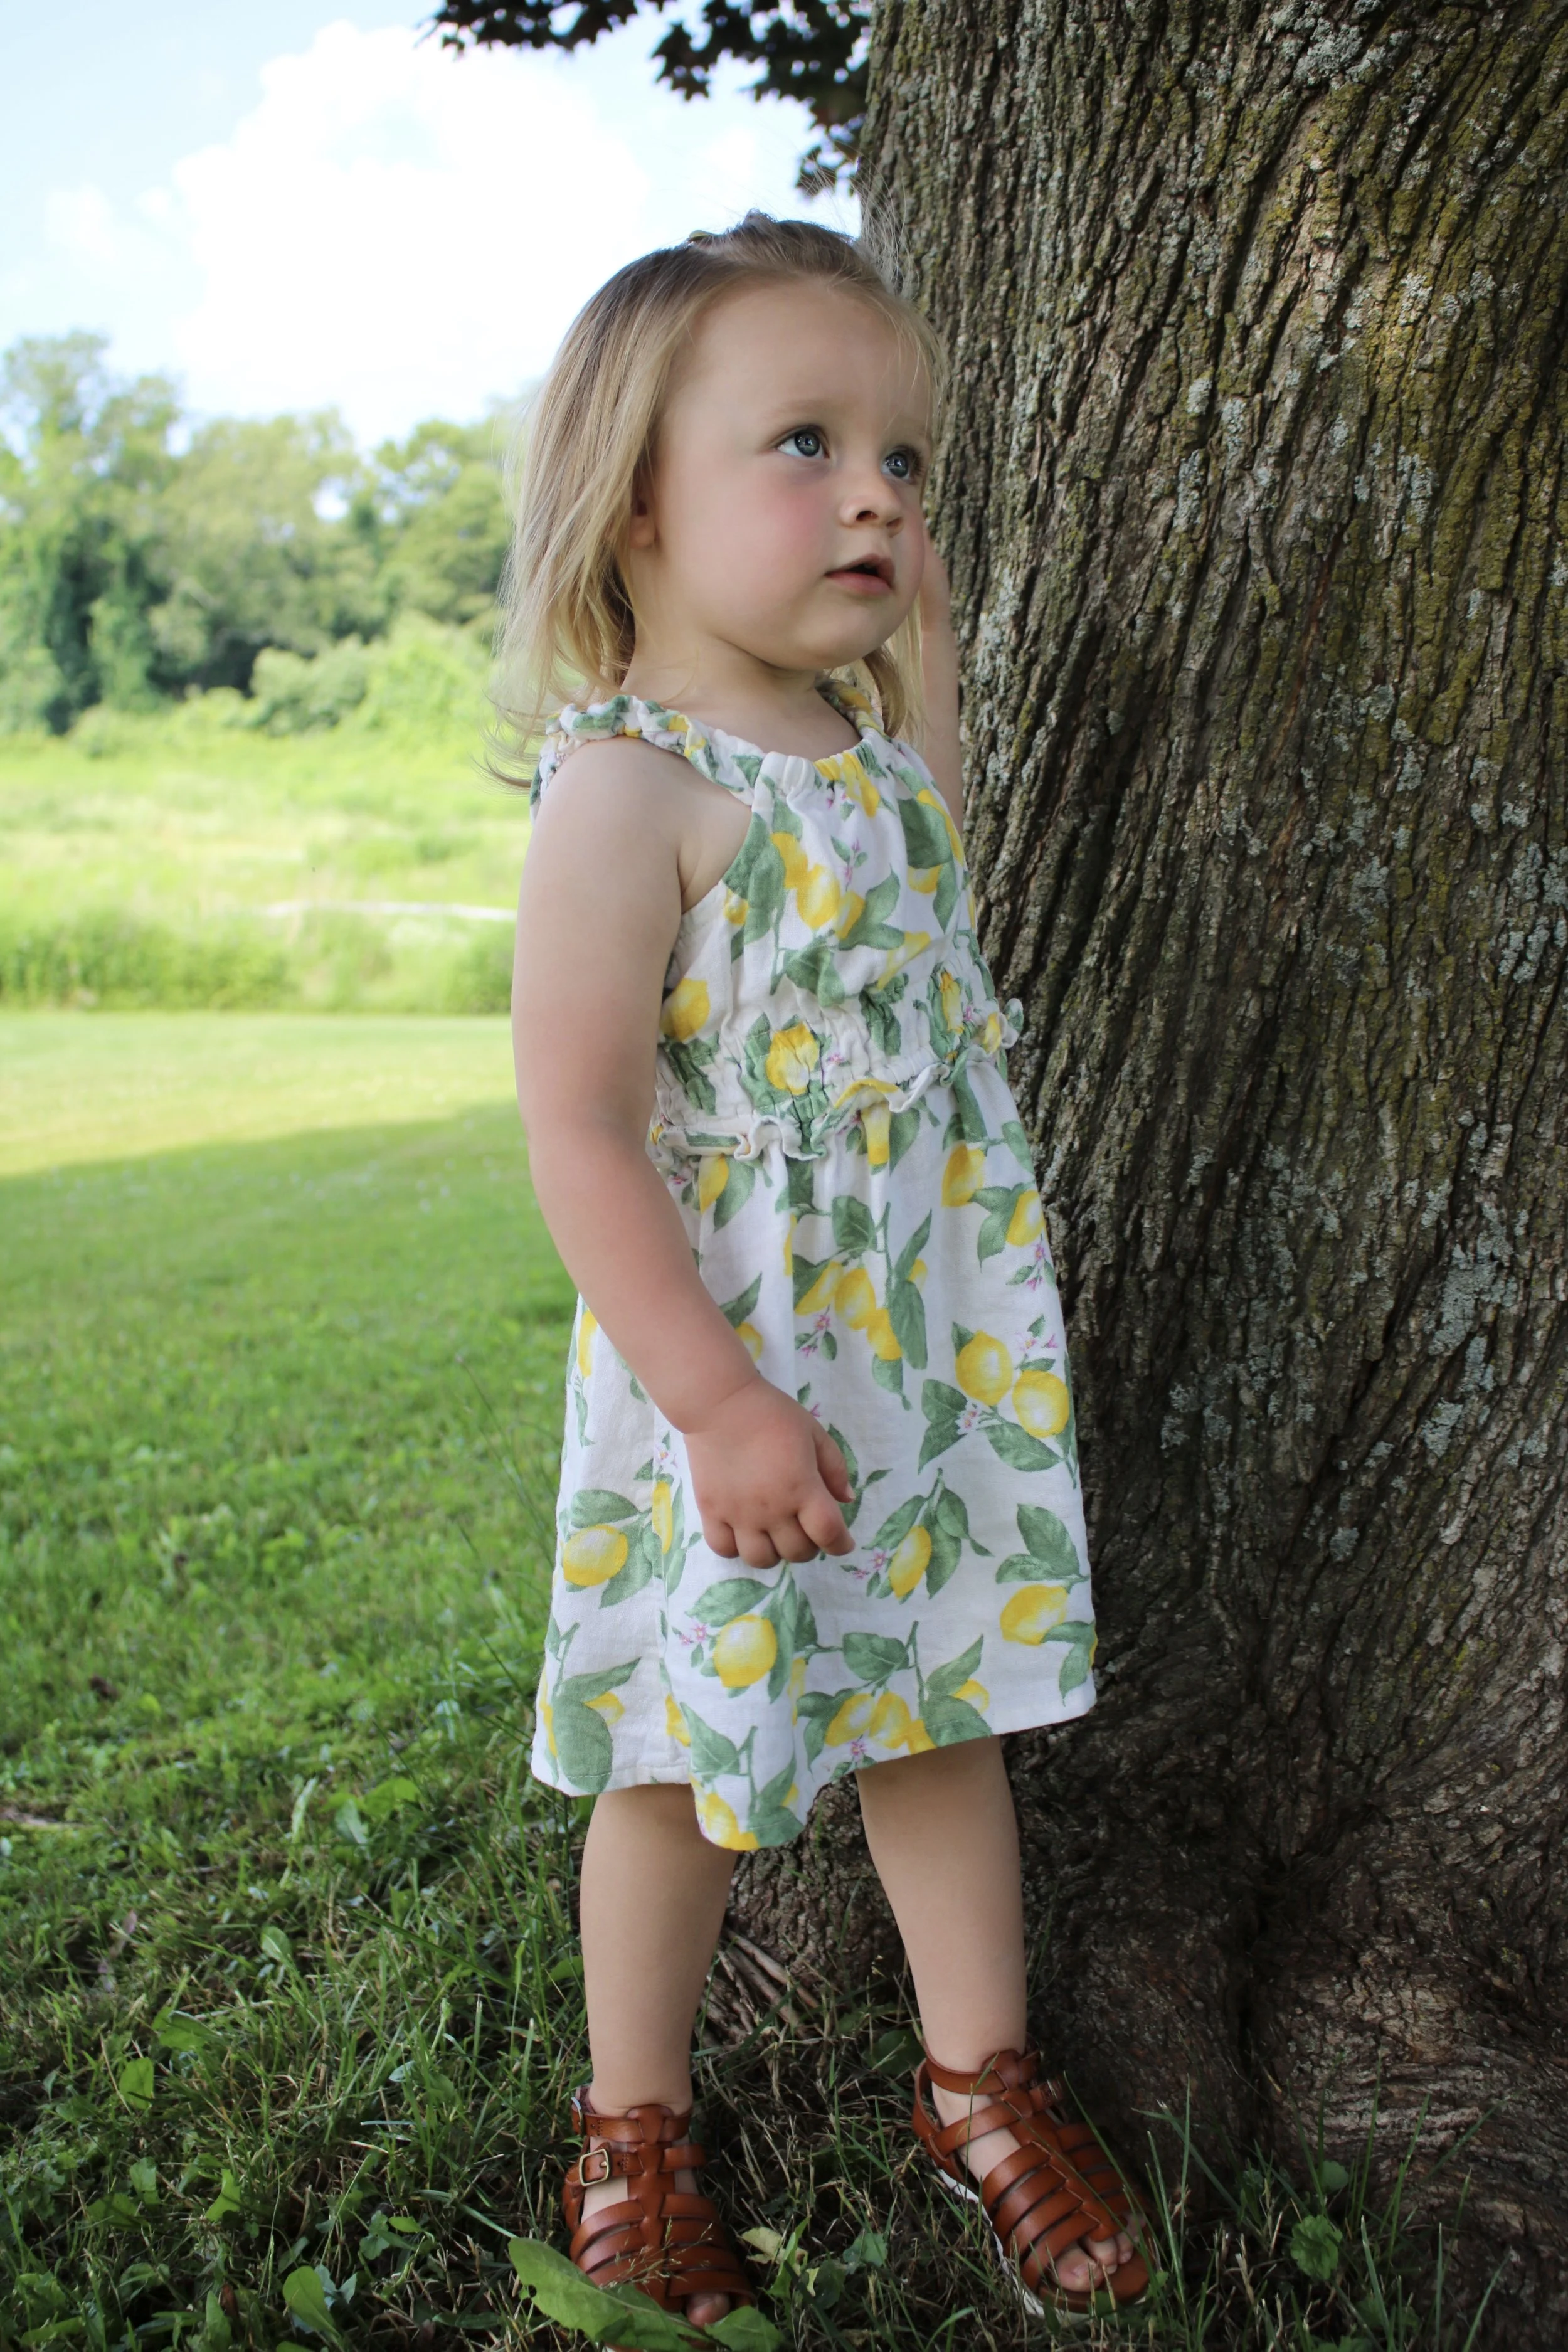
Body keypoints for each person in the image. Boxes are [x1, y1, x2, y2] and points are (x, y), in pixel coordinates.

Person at [506, 211, 1147, 2328]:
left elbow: (928, 881)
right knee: (680, 1759)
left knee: (938, 1711)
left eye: (905, 459)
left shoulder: (862, 770)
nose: (877, 490)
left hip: (918, 1372)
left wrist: (929, 661)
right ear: (637, 502)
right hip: (737, 1374)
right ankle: (636, 2133)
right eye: (806, 442)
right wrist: (711, 1397)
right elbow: (580, 1124)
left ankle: (976, 2089)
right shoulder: (628, 789)